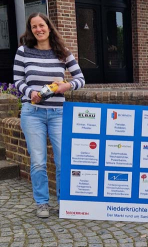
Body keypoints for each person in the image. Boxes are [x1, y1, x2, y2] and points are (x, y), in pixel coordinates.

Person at [13, 12, 85, 218]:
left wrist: (67, 86)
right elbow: (18, 80)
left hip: (58, 113)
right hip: (32, 113)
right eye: (34, 27)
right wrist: (30, 93)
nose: (38, 30)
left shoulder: (62, 52)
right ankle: (42, 203)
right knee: (37, 161)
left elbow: (80, 78)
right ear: (30, 30)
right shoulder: (23, 51)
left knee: (63, 160)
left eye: (41, 25)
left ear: (49, 27)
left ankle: (64, 201)